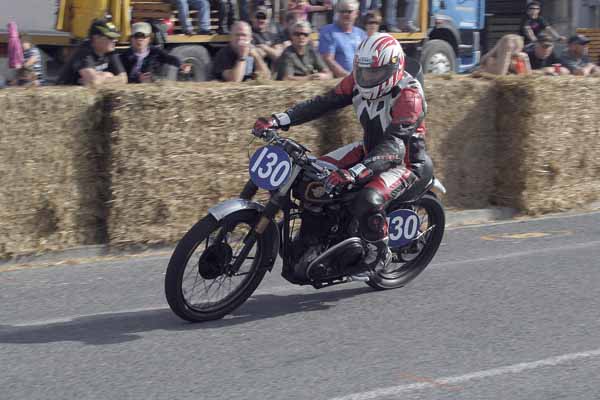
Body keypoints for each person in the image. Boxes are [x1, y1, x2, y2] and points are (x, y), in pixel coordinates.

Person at [254, 33, 431, 274]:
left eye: (375, 73)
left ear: (394, 69)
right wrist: (279, 119)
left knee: (368, 199)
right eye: (363, 71)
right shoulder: (358, 81)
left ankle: (378, 253)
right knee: (312, 178)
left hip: (405, 162)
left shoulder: (409, 96)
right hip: (369, 151)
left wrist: (355, 172)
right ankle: (314, 240)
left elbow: (394, 143)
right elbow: (324, 102)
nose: (367, 78)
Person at [56, 19, 127, 86]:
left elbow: (124, 79)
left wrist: (104, 76)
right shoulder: (84, 52)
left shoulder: (111, 51)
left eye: (115, 38)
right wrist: (109, 76)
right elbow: (93, 81)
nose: (115, 41)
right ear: (96, 38)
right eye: (111, 38)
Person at [120, 22, 191, 83]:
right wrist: (137, 79)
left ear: (149, 39)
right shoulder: (124, 56)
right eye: (136, 37)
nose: (139, 40)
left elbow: (169, 58)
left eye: (143, 37)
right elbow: (121, 78)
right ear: (131, 39)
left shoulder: (155, 52)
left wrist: (181, 65)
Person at [318, 0, 366, 78]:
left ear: (356, 13)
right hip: (341, 81)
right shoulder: (328, 32)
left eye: (349, 11)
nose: (345, 14)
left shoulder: (361, 34)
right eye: (342, 11)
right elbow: (328, 59)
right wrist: (348, 77)